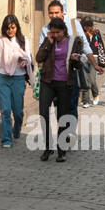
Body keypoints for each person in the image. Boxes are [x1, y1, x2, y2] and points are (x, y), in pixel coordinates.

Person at [34, 18, 77, 162]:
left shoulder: (72, 42)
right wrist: (48, 43)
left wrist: (75, 59)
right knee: (43, 114)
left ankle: (61, 150)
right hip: (48, 81)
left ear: (64, 30)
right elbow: (38, 58)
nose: (55, 35)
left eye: (57, 32)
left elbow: (80, 65)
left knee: (62, 117)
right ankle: (47, 148)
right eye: (52, 32)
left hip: (65, 83)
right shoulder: (49, 42)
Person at [0, 14, 32, 149]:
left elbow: (29, 58)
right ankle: (6, 139)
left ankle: (17, 129)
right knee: (5, 110)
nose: (10, 31)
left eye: (12, 27)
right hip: (3, 78)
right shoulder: (0, 41)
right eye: (7, 28)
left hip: (19, 78)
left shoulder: (24, 40)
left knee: (18, 112)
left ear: (17, 27)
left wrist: (25, 61)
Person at [39, 0, 88, 119]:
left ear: (62, 12)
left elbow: (85, 48)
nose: (53, 15)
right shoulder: (45, 30)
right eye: (51, 13)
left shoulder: (72, 28)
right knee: (57, 111)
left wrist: (81, 60)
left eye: (56, 13)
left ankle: (70, 134)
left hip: (69, 78)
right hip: (51, 79)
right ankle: (62, 134)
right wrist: (48, 43)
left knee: (70, 107)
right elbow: (40, 56)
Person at [78, 15, 105, 107]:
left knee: (92, 79)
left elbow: (100, 45)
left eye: (87, 25)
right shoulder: (80, 33)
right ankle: (85, 100)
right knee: (85, 79)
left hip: (95, 57)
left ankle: (95, 94)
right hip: (84, 57)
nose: (86, 27)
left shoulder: (96, 32)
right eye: (84, 25)